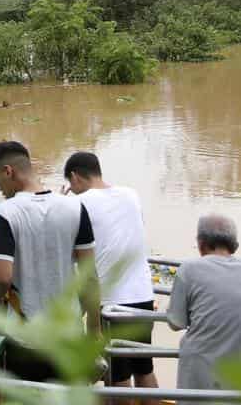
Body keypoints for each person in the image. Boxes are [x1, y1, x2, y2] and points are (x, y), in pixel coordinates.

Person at [0, 141, 100, 381]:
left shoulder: (5, 212)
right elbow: (89, 276)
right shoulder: (75, 207)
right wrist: (93, 332)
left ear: (8, 171)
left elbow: (2, 278)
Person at [63, 152, 159, 393]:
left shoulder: (79, 203)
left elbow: (71, 252)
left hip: (112, 303)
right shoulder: (131, 195)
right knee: (144, 369)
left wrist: (61, 204)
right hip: (143, 296)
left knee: (118, 379)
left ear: (74, 177)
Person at [166, 214, 241, 392]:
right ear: (235, 245)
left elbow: (175, 322)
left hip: (199, 377)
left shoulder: (189, 269)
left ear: (201, 244)